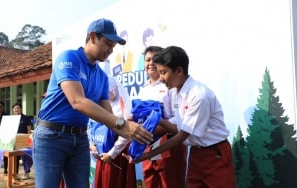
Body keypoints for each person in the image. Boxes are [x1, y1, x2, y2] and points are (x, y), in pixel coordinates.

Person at [33, 18, 153, 188]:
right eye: (108, 43)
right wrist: (122, 124)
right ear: (92, 37)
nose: (111, 50)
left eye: (113, 46)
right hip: (51, 136)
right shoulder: (69, 58)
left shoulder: (102, 77)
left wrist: (133, 135)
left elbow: (109, 118)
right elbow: (77, 101)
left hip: (80, 139)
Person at [130, 46, 236, 187]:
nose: (161, 78)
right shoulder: (173, 92)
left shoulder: (199, 95)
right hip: (196, 154)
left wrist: (148, 154)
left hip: (214, 153)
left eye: (163, 73)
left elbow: (182, 135)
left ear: (179, 71)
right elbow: (177, 124)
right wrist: (157, 120)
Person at [137, 46, 186, 188]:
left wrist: (156, 126)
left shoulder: (170, 86)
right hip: (147, 146)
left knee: (170, 183)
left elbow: (178, 119)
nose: (151, 63)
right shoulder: (143, 90)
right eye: (147, 60)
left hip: (168, 145)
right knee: (151, 182)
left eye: (155, 59)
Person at [90, 75, 136, 188]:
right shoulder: (101, 103)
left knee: (115, 182)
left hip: (117, 153)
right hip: (103, 154)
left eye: (107, 91)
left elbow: (126, 134)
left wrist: (112, 153)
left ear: (114, 88)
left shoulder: (123, 106)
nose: (104, 94)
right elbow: (91, 126)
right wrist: (92, 145)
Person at [11, 102, 32, 179]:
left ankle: (27, 173)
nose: (16, 109)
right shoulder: (12, 118)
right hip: (14, 140)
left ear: (21, 109)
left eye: (18, 108)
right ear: (13, 110)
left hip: (24, 140)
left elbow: (29, 130)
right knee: (15, 157)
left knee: (25, 156)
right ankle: (15, 173)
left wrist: (28, 138)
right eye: (15, 108)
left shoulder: (26, 118)